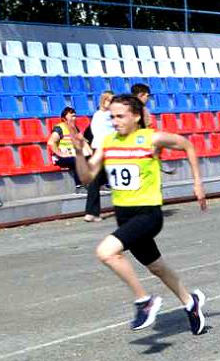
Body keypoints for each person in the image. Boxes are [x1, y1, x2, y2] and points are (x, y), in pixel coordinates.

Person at [72, 94, 209, 334]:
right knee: (157, 268)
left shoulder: (151, 139)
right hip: (123, 215)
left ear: (136, 116)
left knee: (106, 252)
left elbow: (187, 145)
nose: (115, 121)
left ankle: (144, 301)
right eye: (112, 116)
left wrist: (197, 182)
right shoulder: (107, 143)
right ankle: (191, 303)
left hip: (147, 215)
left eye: (120, 116)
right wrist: (78, 154)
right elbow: (86, 178)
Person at [82, 91, 116, 222]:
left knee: (95, 182)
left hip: (97, 148)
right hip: (108, 149)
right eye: (109, 100)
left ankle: (91, 212)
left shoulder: (96, 115)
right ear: (104, 101)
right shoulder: (110, 115)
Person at [47, 106, 90, 192]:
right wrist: (61, 154)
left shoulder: (75, 129)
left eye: (75, 116)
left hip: (71, 155)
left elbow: (83, 142)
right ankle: (79, 187)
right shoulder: (60, 128)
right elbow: (51, 142)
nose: (74, 118)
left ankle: (100, 184)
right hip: (60, 158)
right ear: (64, 118)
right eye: (71, 116)